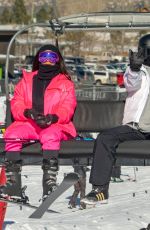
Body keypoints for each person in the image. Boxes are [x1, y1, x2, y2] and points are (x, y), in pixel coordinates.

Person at [81, 33, 150, 205]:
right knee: (105, 138)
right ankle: (100, 189)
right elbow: (131, 84)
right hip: (137, 128)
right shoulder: (138, 71)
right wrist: (134, 68)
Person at [2, 44, 77, 200]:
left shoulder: (65, 83)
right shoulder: (26, 81)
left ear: (58, 61)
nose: (48, 61)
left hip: (55, 125)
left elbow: (68, 106)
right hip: (31, 123)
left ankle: (49, 182)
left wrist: (53, 117)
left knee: (50, 135)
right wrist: (27, 112)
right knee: (12, 133)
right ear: (38, 60)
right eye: (44, 57)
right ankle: (13, 183)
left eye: (52, 58)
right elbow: (17, 103)